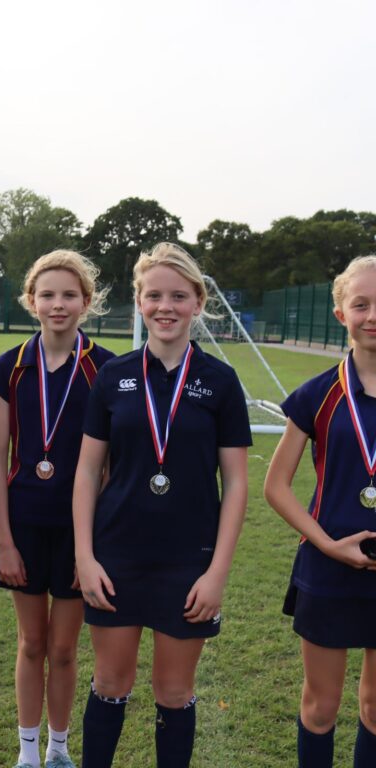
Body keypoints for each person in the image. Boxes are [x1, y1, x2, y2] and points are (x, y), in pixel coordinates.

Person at [74, 242, 251, 767]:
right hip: (115, 557)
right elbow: (87, 472)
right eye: (154, 295)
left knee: (174, 691)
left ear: (198, 302)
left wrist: (217, 573)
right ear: (139, 302)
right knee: (110, 682)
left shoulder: (220, 381)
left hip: (188, 563)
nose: (165, 306)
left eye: (178, 296)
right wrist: (84, 557)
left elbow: (236, 484)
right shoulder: (113, 376)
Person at [0, 249, 113, 768]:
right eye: (47, 295)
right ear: (30, 301)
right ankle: (28, 753)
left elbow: (109, 466)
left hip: (80, 533)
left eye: (69, 295)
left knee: (63, 648)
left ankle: (59, 750)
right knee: (31, 642)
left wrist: (90, 548)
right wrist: (5, 543)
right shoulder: (10, 367)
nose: (58, 304)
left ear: (86, 301)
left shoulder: (106, 368)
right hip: (24, 528)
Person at [264, 254, 376, 767]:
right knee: (320, 706)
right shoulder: (317, 394)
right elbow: (276, 486)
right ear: (341, 314)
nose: (372, 315)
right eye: (361, 304)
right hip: (327, 571)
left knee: (375, 708)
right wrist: (329, 545)